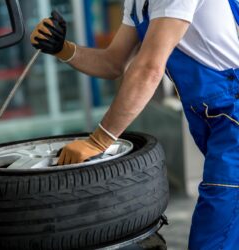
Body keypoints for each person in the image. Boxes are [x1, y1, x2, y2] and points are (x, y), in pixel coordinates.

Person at [30, 0, 239, 249]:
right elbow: (112, 63)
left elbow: (149, 68)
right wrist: (63, 48)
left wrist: (99, 140)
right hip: (213, 117)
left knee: (214, 232)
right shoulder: (137, 2)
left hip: (232, 114)